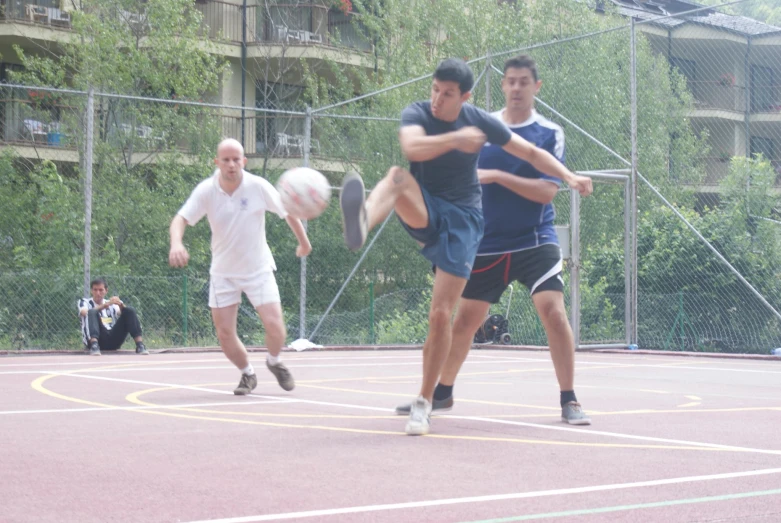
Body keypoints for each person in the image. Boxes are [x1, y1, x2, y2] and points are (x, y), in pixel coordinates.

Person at [340, 58, 592, 435]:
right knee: (396, 176)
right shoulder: (419, 113)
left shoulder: (486, 121)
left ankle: (429, 402)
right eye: (435, 91)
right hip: (436, 213)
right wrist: (456, 139)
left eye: (448, 94)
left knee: (444, 315)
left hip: (481, 228)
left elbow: (532, 155)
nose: (438, 100)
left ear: (465, 96)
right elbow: (413, 147)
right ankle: (360, 222)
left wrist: (569, 175)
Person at [168, 138, 312, 395]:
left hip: (258, 269)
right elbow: (180, 218)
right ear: (217, 162)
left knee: (275, 325)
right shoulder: (206, 190)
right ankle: (247, 374)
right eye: (226, 159)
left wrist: (304, 243)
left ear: (244, 161)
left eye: (236, 159)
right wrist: (176, 243)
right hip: (223, 273)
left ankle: (274, 361)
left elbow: (288, 212)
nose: (232, 164)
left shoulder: (257, 186)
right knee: (224, 334)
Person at [78, 277, 148, 356]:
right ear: (91, 291)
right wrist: (104, 306)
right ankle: (94, 346)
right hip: (95, 339)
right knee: (92, 312)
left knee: (129, 310)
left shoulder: (111, 303)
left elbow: (123, 313)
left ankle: (140, 345)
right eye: (95, 290)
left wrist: (120, 304)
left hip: (112, 338)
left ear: (106, 291)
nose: (98, 293)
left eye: (101, 290)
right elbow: (84, 312)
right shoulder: (84, 302)